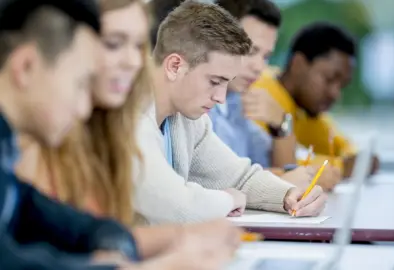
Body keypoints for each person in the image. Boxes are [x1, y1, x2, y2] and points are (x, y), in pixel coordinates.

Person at [15, 0, 243, 265]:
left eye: (139, 46)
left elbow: (93, 236)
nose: (134, 61)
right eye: (113, 43)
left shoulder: (109, 130)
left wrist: (183, 239)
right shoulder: (34, 138)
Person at [134, 0, 327, 224]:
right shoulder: (131, 116)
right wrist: (227, 199)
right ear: (175, 66)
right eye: (214, 81)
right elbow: (175, 206)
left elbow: (240, 178)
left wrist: (288, 195)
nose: (221, 97)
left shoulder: (187, 119)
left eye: (226, 83)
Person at [0, 0, 141, 268]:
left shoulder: (7, 161)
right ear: (26, 66)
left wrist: (114, 250)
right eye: (79, 84)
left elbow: (83, 228)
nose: (84, 109)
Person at [208, 0, 342, 190]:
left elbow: (273, 166)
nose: (259, 67)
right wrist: (301, 177)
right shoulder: (197, 106)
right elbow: (214, 182)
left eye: (265, 56)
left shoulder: (237, 101)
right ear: (214, 40)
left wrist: (281, 123)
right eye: (250, 50)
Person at [251, 22, 380, 179]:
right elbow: (274, 166)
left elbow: (345, 149)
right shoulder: (259, 92)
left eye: (342, 85)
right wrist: (344, 167)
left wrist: (359, 162)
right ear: (298, 64)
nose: (335, 93)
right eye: (329, 79)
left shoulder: (304, 109)